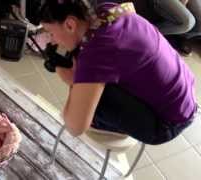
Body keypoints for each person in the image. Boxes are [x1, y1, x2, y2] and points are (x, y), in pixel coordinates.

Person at [39, 0, 198, 145]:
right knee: (91, 80)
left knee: (89, 98)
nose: (52, 40)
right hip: (185, 94)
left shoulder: (95, 53)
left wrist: (68, 77)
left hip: (166, 124)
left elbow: (74, 128)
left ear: (69, 25)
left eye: (50, 33)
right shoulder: (109, 8)